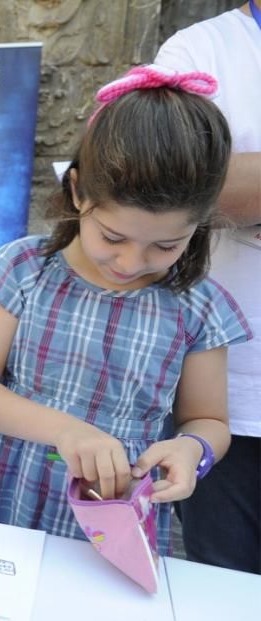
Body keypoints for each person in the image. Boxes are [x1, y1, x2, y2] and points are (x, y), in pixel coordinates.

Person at [0, 66, 252, 554]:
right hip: (5, 497)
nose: (131, 263)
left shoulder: (201, 306)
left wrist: (191, 449)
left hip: (118, 517)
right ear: (77, 192)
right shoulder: (25, 269)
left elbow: (208, 421)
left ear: (200, 225)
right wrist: (66, 430)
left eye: (166, 245)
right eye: (113, 236)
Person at [154, 1, 261, 574]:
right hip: (232, 395)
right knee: (223, 585)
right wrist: (216, 188)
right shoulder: (202, 51)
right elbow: (176, 179)